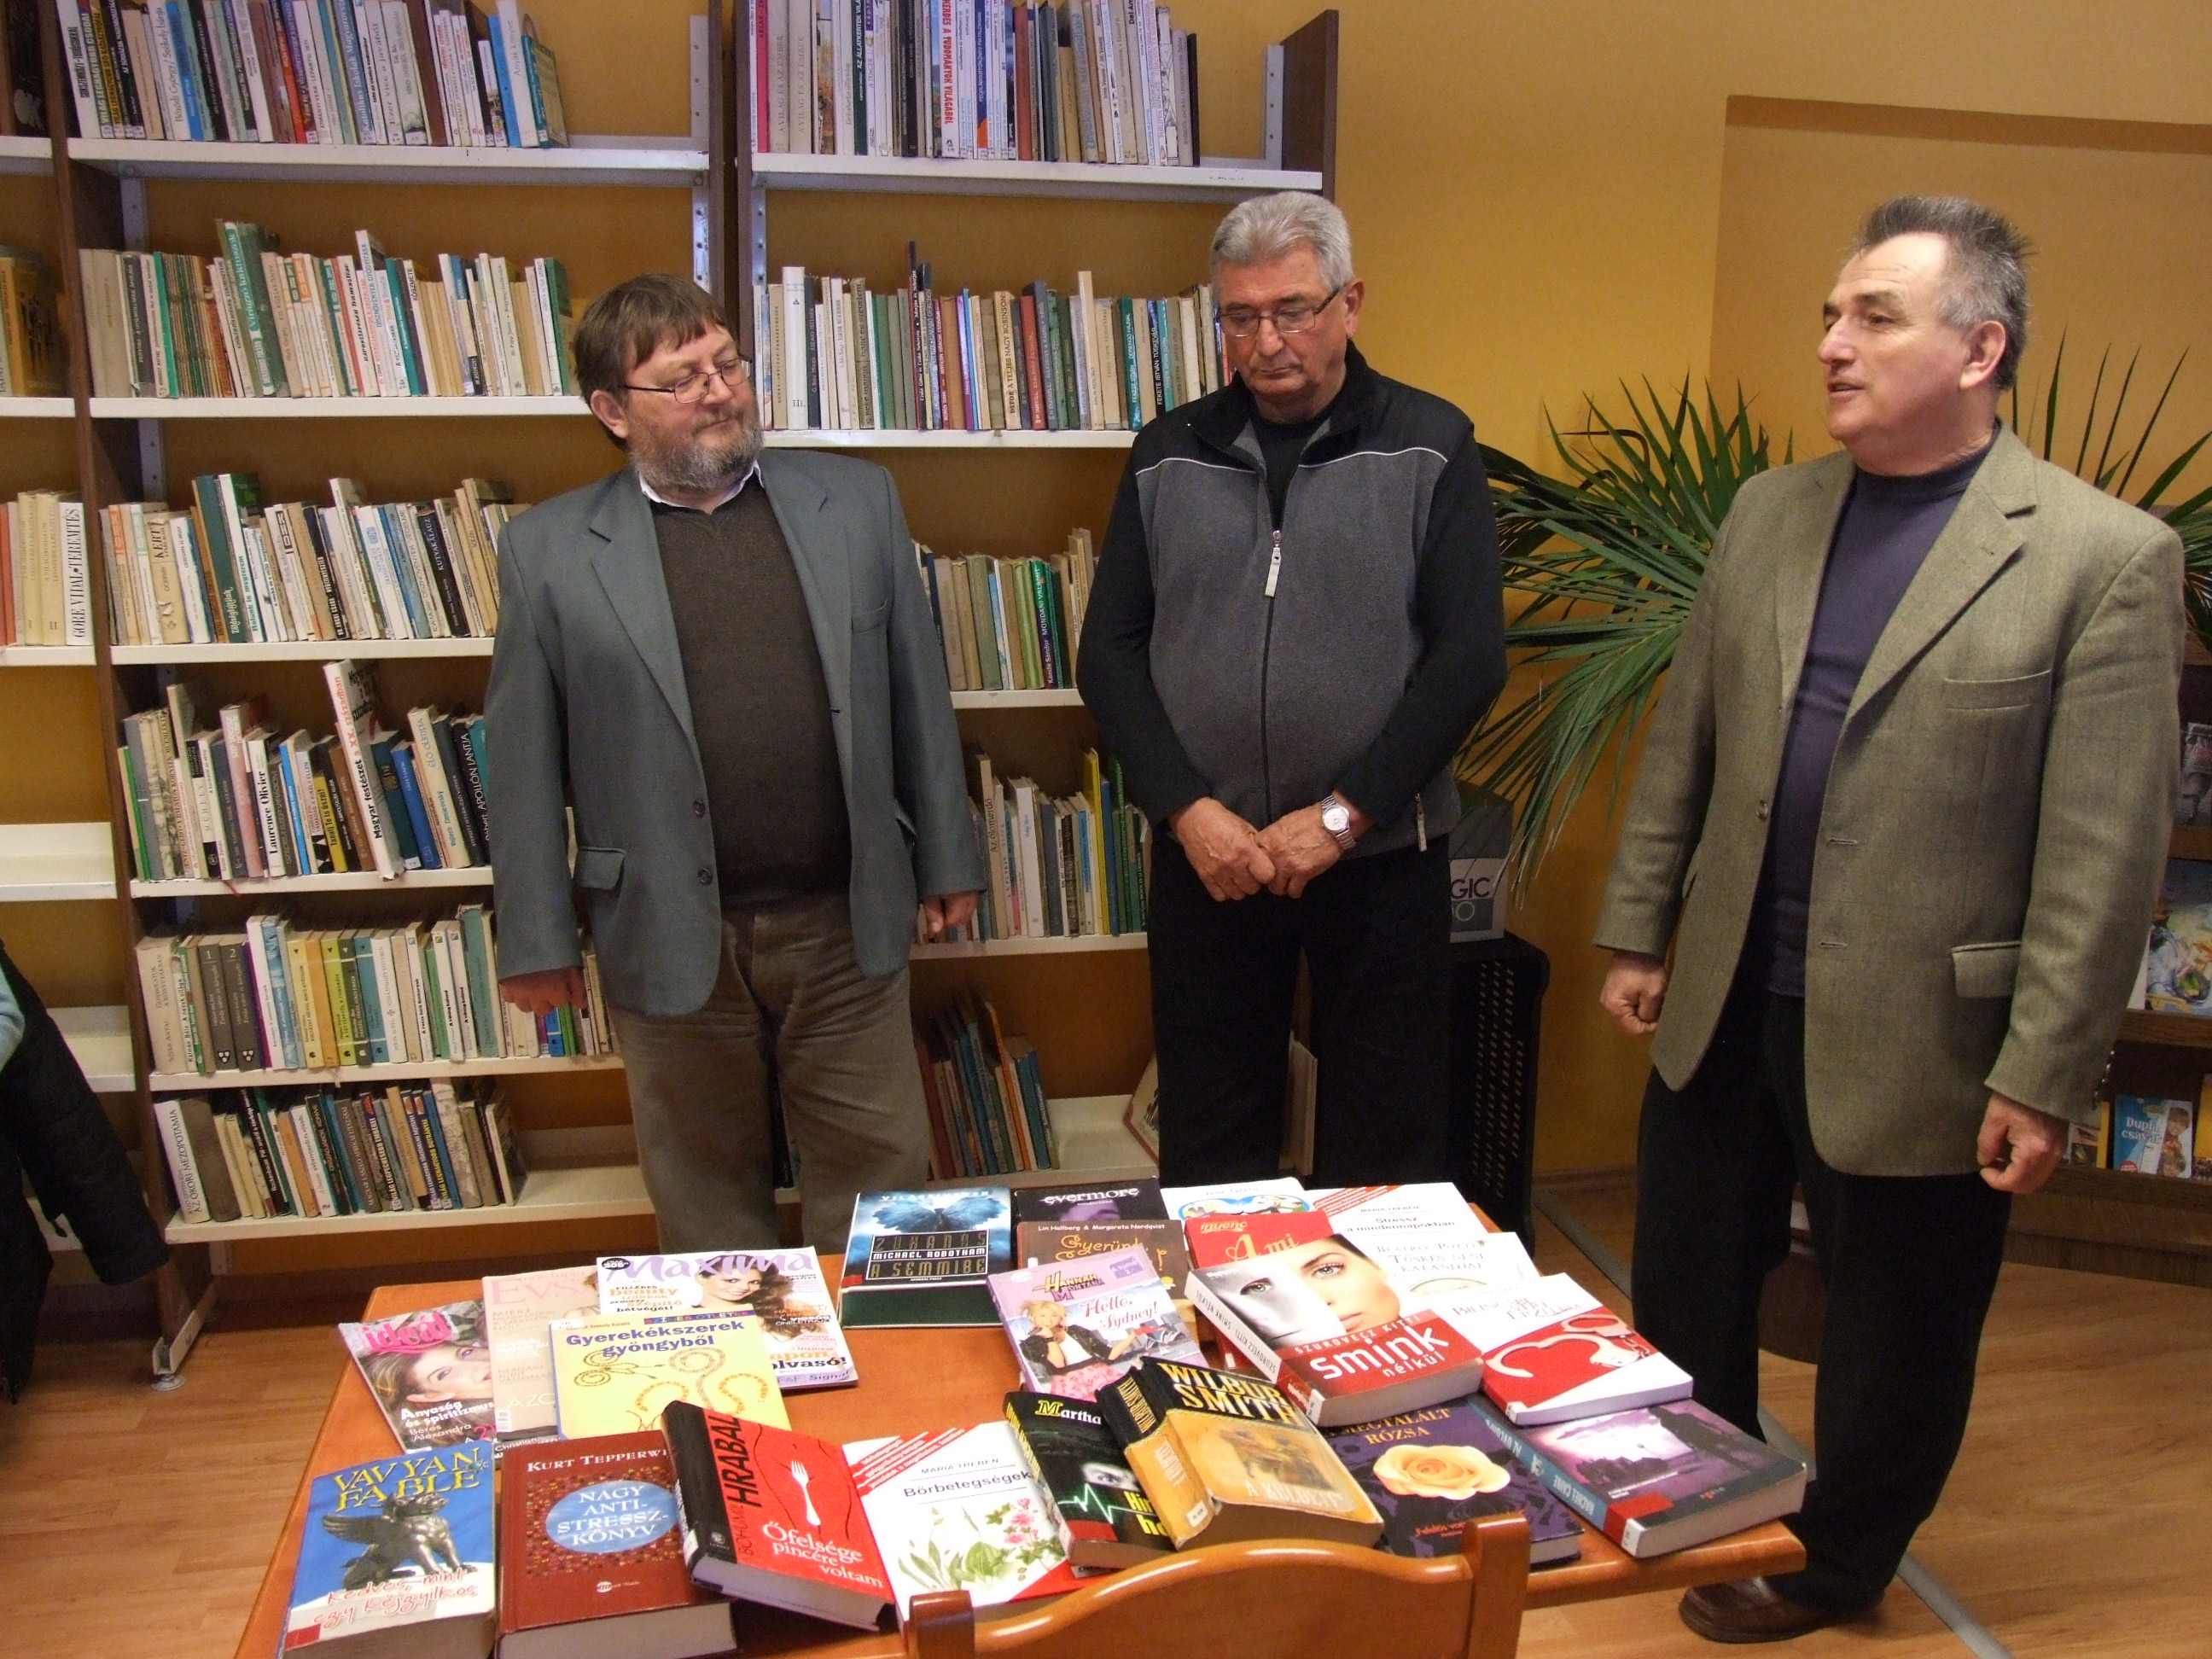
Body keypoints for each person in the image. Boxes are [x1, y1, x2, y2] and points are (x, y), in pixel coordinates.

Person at [1595, 195, 2182, 1643]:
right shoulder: (1768, 512)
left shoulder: (2101, 556)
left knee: (1897, 1328)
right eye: (1830, 314)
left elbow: (2102, 852)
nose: (1831, 344)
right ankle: (1701, 1504)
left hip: (1929, 1026)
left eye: (1874, 317)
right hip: (1730, 982)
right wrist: (1640, 923)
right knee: (1688, 1275)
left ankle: (1834, 1561)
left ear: (1979, 350)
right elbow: (1691, 735)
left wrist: (2043, 1074)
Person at [487, 275, 984, 1254]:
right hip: (667, 927)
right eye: (682, 379)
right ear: (612, 411)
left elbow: (916, 691)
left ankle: (877, 1353)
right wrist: (536, 936)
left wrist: (948, 858)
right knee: (706, 1199)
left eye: (727, 365)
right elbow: (523, 757)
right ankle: (739, 1357)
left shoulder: (856, 503)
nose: (718, 391)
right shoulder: (547, 550)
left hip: (843, 917)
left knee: (881, 1189)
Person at [1078, 193, 1507, 1188]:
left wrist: (1344, 816)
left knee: (1384, 1152)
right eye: (1241, 317)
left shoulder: (1431, 444)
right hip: (1213, 858)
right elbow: (1109, 652)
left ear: (1349, 305)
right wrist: (1188, 812)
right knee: (1211, 1146)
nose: (1267, 342)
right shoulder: (1167, 452)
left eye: (1293, 311)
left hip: (1383, 856)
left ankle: (1370, 1300)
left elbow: (1469, 658)